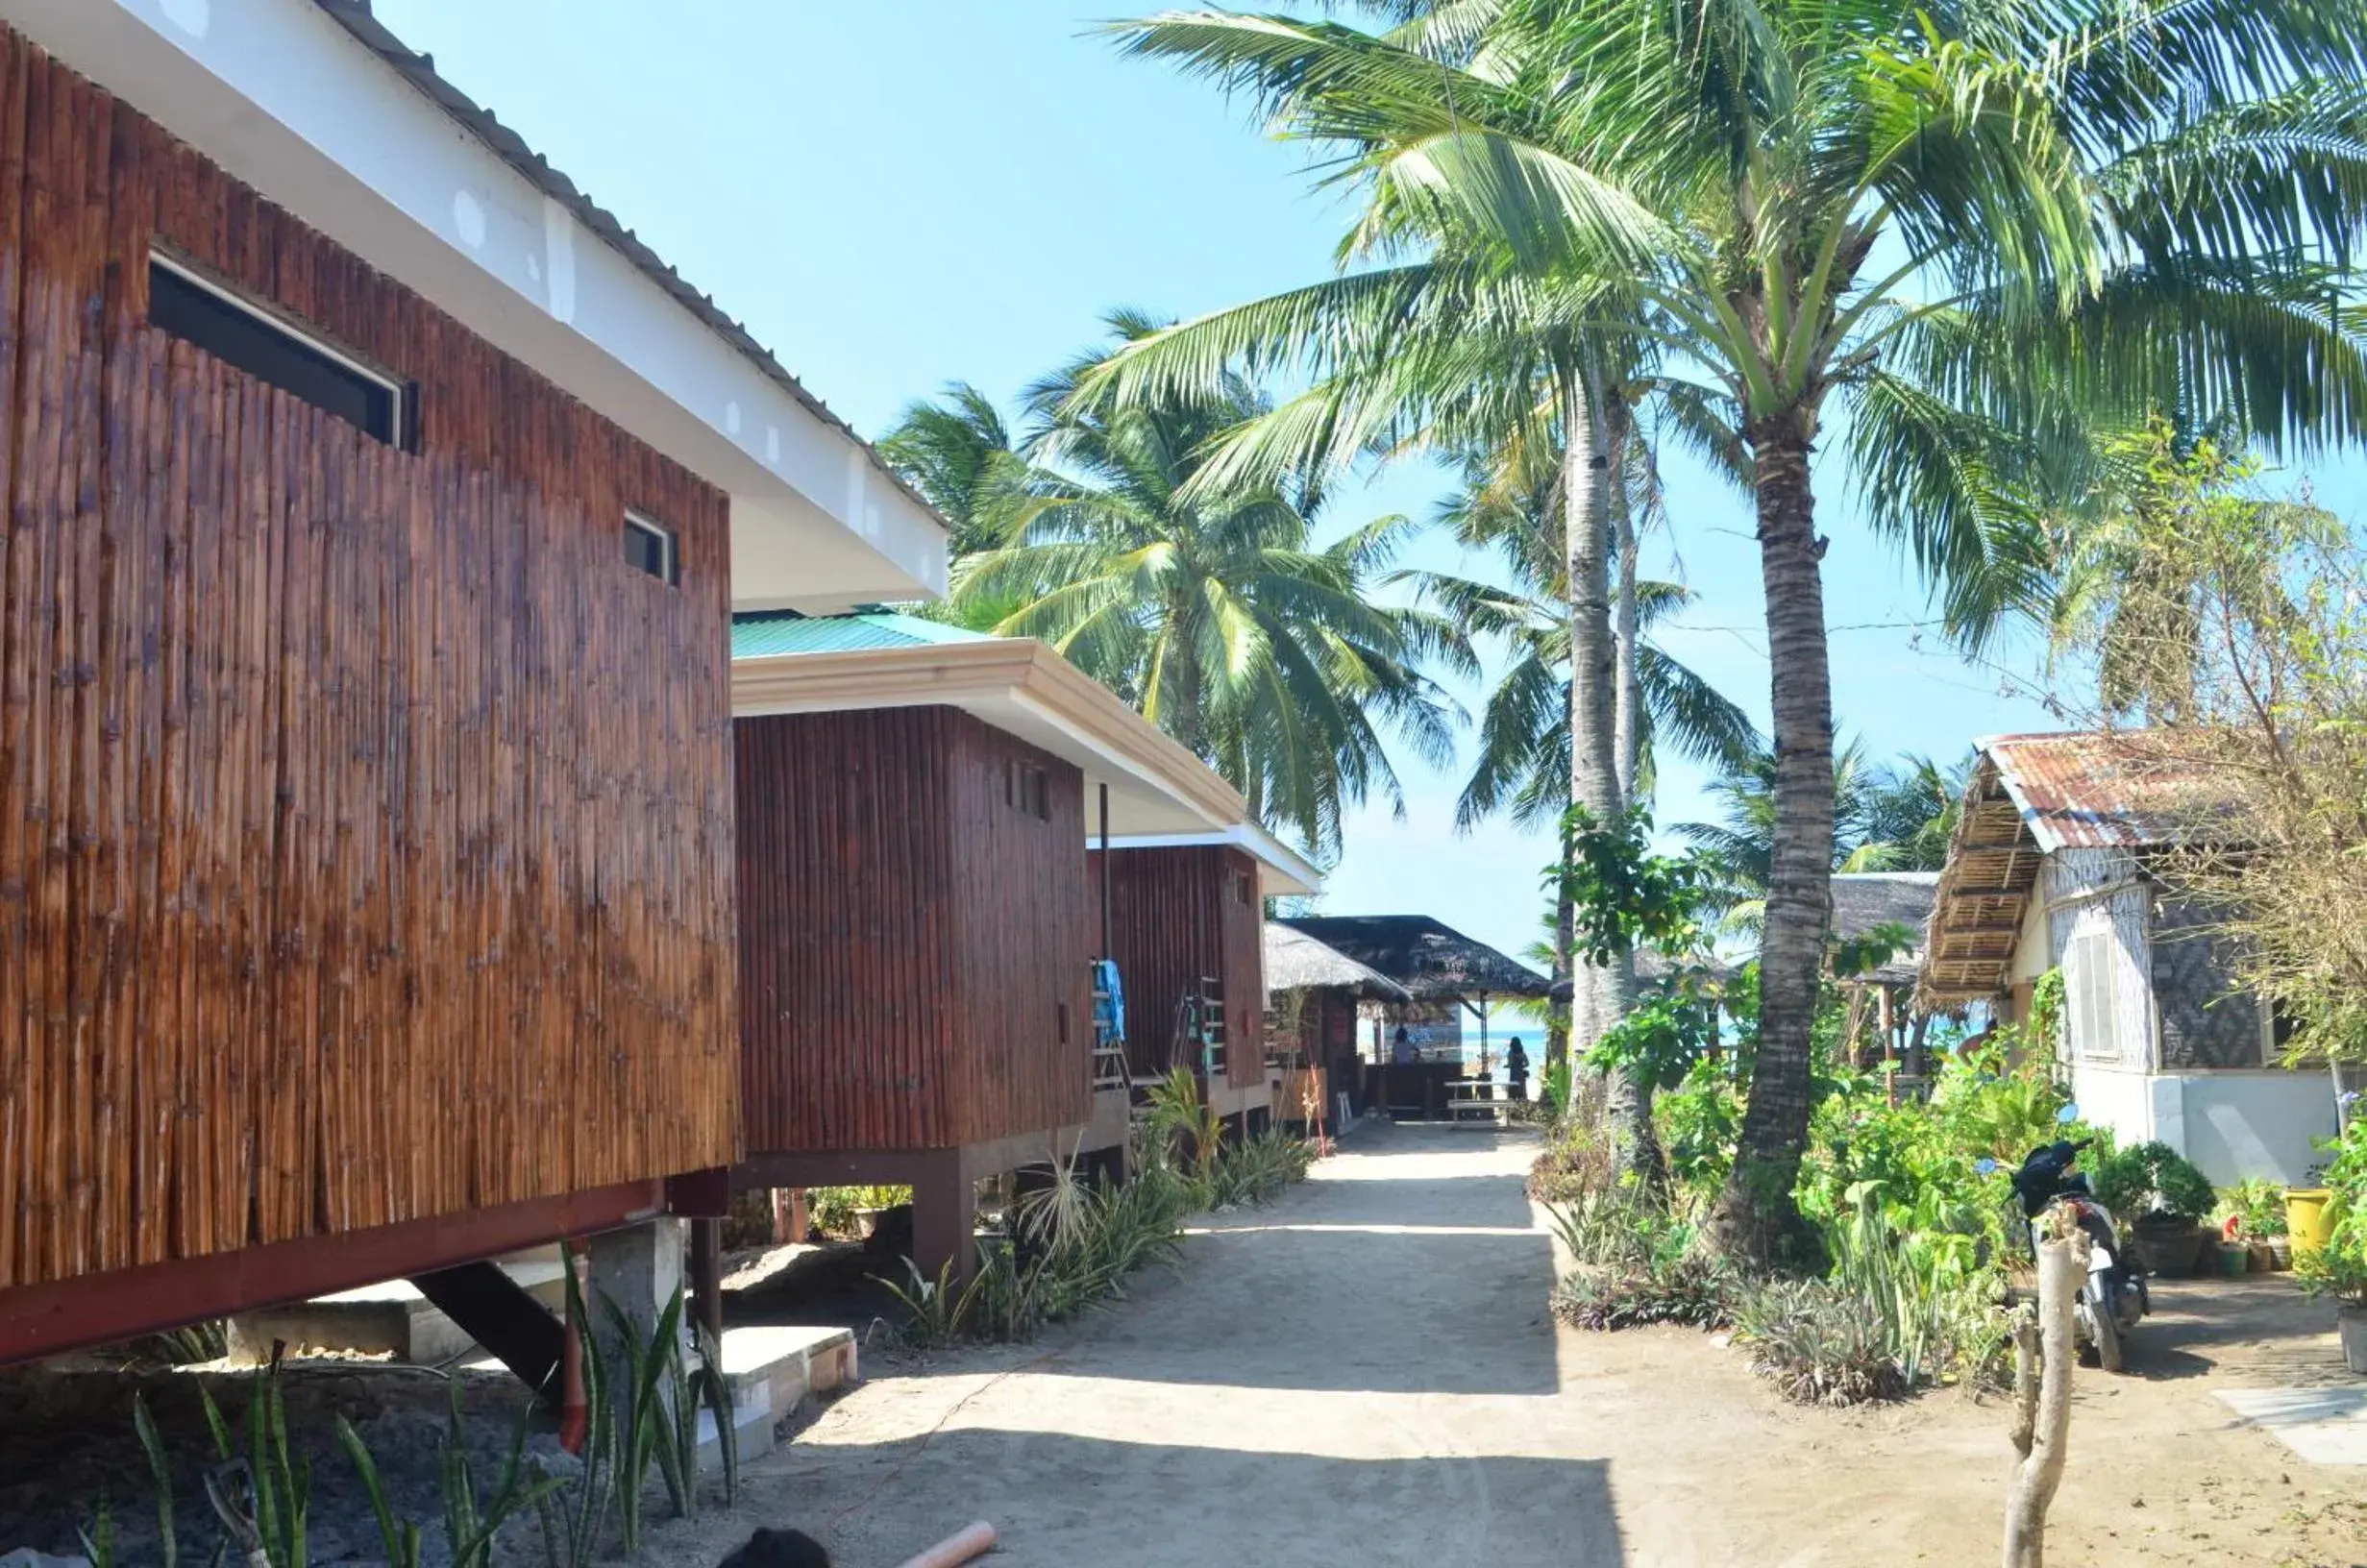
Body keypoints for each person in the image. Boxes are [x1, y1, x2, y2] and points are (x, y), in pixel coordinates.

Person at [1505, 1037, 1531, 1102]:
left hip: (1513, 1074)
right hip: (1521, 1075)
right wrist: (1521, 1066)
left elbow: (1510, 1064)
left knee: (1513, 1093)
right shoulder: (1522, 1053)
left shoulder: (1510, 1053)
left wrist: (1506, 1066)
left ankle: (1513, 1105)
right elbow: (1527, 1064)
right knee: (1522, 1093)